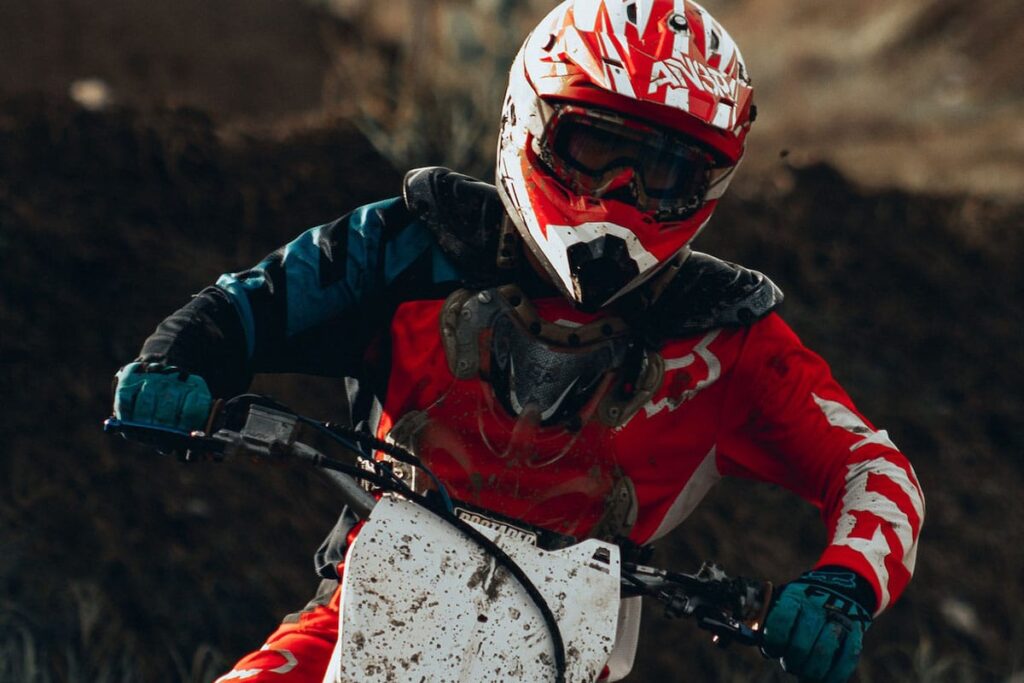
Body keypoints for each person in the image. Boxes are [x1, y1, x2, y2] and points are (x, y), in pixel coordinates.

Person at [112, 1, 924, 681]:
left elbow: (872, 467)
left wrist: (843, 585)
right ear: (529, 120)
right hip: (363, 609)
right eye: (597, 150)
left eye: (664, 175)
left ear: (709, 185)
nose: (621, 195)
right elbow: (248, 304)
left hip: (576, 652)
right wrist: (174, 363)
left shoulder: (726, 334)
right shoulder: (415, 245)